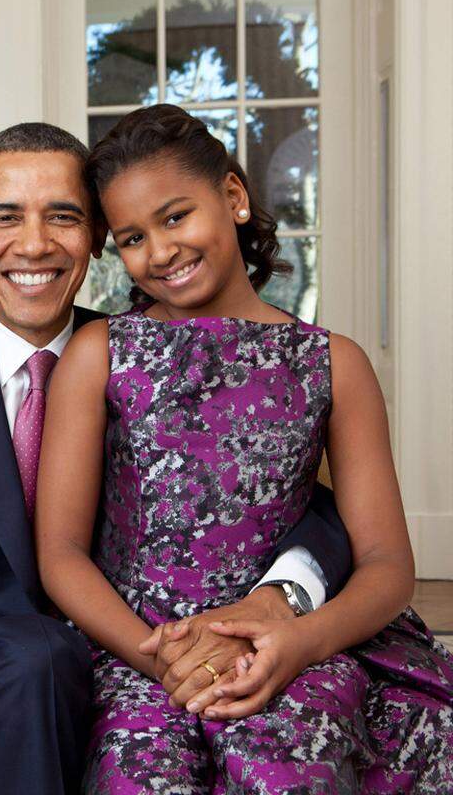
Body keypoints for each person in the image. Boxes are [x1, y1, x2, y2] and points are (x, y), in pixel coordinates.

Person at [0, 121, 356, 794]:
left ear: (95, 239)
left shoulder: (150, 352)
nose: (34, 243)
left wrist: (283, 594)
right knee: (36, 655)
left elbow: (296, 498)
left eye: (63, 217)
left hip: (155, 651)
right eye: (5, 218)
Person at [36, 103, 453, 792]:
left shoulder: (333, 363)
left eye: (175, 217)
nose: (160, 252)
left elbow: (386, 565)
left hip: (294, 649)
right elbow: (61, 555)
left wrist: (297, 644)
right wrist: (165, 659)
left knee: (289, 762)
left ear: (232, 196)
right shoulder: (99, 354)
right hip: (140, 651)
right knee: (141, 772)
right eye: (133, 237)